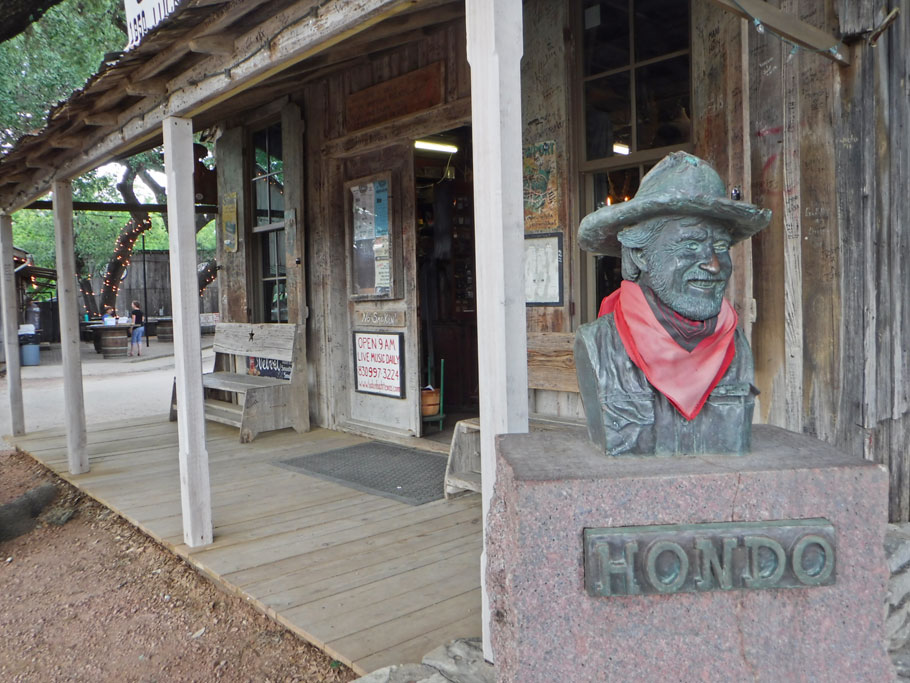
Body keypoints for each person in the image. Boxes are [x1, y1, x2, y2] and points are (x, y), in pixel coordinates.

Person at [574, 152, 771, 456]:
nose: (714, 265)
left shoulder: (736, 345)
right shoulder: (600, 345)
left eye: (720, 246)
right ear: (641, 255)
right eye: (690, 245)